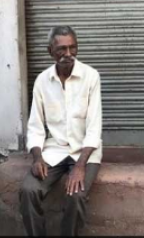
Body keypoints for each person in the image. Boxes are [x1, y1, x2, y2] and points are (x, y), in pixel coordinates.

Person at [20, 26, 102, 236]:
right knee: (29, 190)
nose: (68, 55)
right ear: (50, 51)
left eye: (72, 48)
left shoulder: (91, 76)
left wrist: (80, 166)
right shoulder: (42, 81)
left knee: (76, 195)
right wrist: (37, 158)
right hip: (54, 150)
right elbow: (36, 127)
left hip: (85, 152)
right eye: (61, 49)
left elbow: (94, 128)